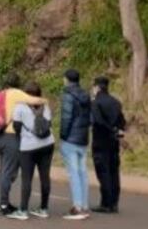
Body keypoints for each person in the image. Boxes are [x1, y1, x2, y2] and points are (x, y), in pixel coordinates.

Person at [0, 73, 46, 215]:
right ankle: (3, 205)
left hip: (0, 135)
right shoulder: (17, 94)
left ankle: (3, 202)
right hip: (12, 137)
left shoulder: (0, 94)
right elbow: (36, 100)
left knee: (3, 171)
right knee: (8, 172)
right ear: (18, 83)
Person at [8, 81, 54, 220]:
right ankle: (44, 208)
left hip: (28, 146)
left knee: (27, 178)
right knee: (45, 176)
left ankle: (23, 210)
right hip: (47, 144)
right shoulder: (45, 106)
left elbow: (16, 127)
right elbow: (49, 124)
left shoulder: (20, 107)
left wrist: (23, 135)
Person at [90, 76, 126, 213]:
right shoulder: (116, 102)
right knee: (113, 171)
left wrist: (108, 129)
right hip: (114, 141)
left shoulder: (96, 103)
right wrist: (117, 132)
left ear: (97, 87)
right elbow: (122, 121)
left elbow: (98, 121)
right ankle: (114, 203)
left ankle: (106, 203)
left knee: (103, 172)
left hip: (100, 140)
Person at [60, 68, 91, 220]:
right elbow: (89, 118)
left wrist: (63, 136)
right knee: (82, 173)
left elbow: (66, 117)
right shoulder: (86, 95)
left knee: (74, 174)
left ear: (66, 79)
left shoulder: (68, 95)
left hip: (71, 139)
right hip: (83, 138)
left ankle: (77, 207)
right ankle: (84, 205)